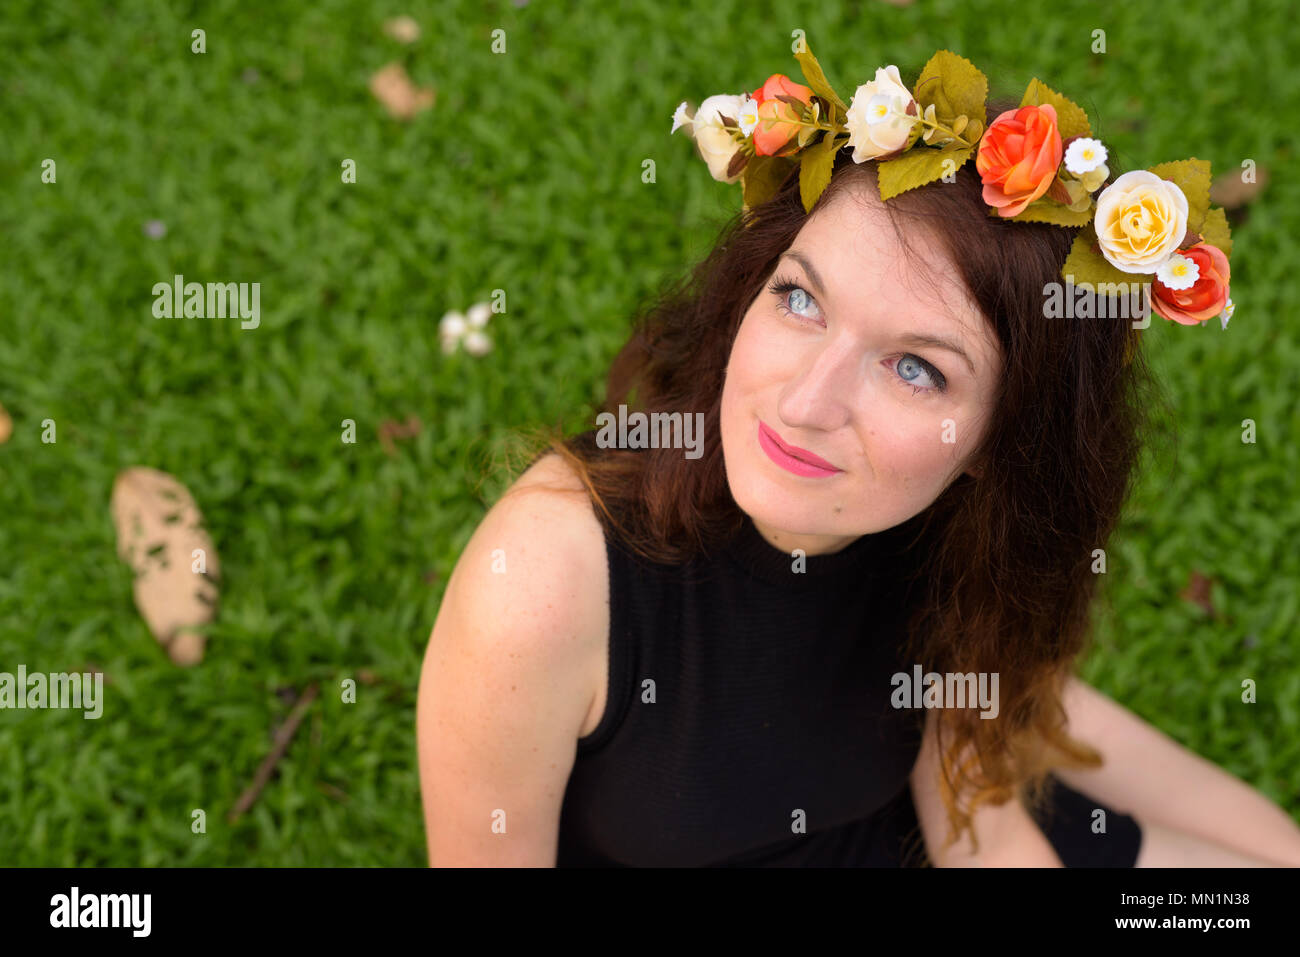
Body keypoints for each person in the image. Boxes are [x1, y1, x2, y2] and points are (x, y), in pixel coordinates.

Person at [416, 46, 1300, 867]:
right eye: (800, 299)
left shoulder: (940, 528)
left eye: (915, 367)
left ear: (1001, 444)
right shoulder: (544, 580)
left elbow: (986, 801)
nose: (805, 405)